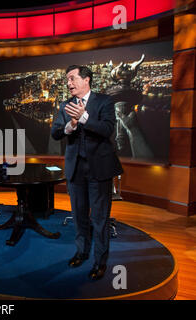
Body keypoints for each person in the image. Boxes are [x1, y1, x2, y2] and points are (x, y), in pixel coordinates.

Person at [51, 65, 123, 280]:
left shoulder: (104, 101)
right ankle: (81, 252)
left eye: (72, 78)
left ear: (86, 79)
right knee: (79, 215)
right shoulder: (65, 105)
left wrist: (84, 118)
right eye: (67, 79)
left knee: (100, 219)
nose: (68, 83)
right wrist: (70, 126)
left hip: (99, 169)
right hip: (75, 170)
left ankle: (100, 261)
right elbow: (56, 133)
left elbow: (108, 129)